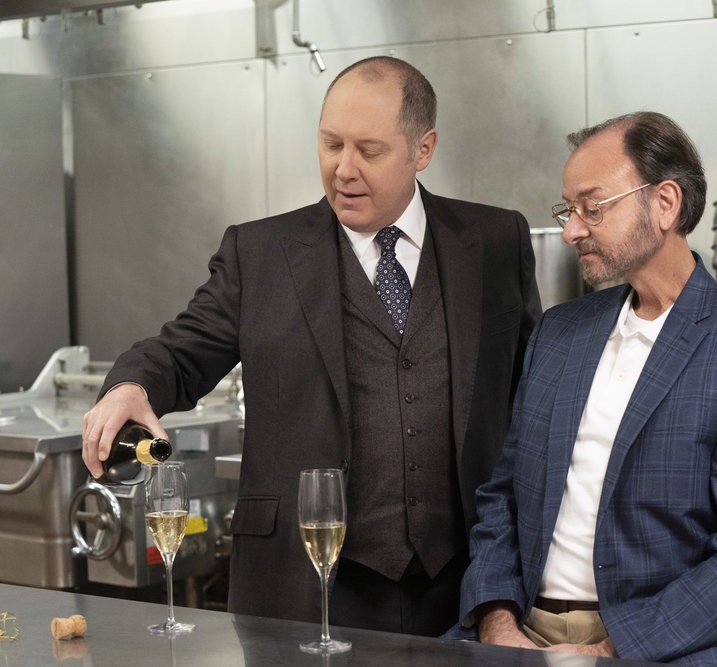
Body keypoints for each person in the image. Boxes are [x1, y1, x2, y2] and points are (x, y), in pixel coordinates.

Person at [81, 55, 542, 636]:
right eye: (331, 145)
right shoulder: (259, 254)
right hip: (304, 583)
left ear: (423, 149)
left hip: (465, 583)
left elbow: (538, 390)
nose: (344, 169)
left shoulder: (496, 241)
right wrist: (131, 385)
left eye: (369, 151)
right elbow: (181, 350)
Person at [450, 111, 717, 664]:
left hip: (664, 647)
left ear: (664, 203)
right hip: (523, 631)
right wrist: (497, 621)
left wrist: (608, 649)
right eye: (568, 210)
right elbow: (502, 498)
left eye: (592, 207)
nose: (572, 230)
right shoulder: (559, 332)